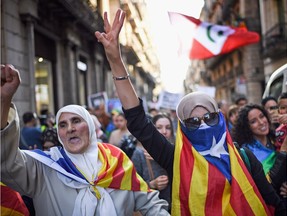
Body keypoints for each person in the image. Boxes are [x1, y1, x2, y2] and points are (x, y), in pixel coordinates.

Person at [95, 9, 287, 215]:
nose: (203, 125)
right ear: (184, 127)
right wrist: (116, 60)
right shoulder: (176, 160)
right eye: (194, 121)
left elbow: (275, 203)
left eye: (209, 117)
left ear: (220, 119)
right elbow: (137, 121)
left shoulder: (244, 158)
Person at [0, 64, 169, 215]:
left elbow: (149, 202)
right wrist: (4, 100)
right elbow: (6, 163)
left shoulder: (115, 159)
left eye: (76, 121)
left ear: (90, 127)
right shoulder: (45, 166)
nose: (70, 129)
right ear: (59, 134)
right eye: (63, 125)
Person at [232, 103, 287, 199]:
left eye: (262, 116)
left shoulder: (277, 137)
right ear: (247, 127)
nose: (261, 122)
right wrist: (284, 151)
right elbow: (269, 185)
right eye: (253, 121)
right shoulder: (248, 152)